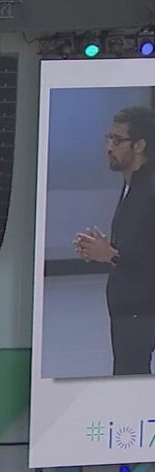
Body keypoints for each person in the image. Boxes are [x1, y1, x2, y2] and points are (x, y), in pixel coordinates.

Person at [74, 106, 155, 375]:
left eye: (117, 140)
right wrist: (103, 250)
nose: (109, 147)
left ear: (139, 145)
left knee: (130, 381)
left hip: (142, 310)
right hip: (129, 308)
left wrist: (112, 255)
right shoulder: (132, 185)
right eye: (108, 138)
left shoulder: (149, 189)